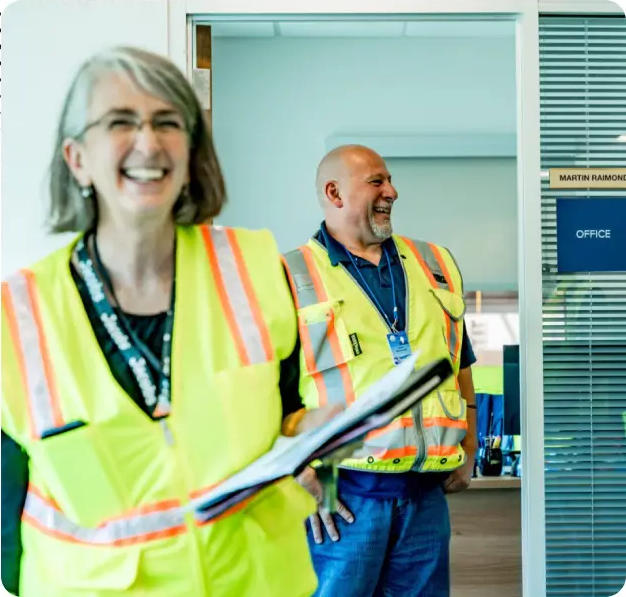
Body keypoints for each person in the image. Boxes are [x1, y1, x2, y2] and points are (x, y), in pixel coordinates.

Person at [1, 46, 337, 597]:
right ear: (77, 157)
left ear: (190, 152)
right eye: (119, 122)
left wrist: (317, 454)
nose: (148, 142)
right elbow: (5, 521)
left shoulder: (254, 269)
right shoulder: (15, 313)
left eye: (167, 122)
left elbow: (294, 418)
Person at [283, 145, 478, 597]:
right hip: (342, 495)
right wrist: (295, 471)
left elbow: (458, 361)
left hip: (426, 494)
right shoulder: (289, 275)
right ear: (334, 192)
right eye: (376, 181)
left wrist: (469, 442)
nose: (392, 190)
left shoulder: (435, 263)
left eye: (389, 179)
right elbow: (267, 391)